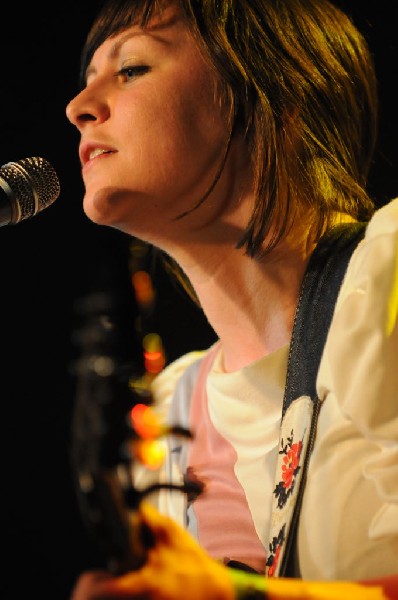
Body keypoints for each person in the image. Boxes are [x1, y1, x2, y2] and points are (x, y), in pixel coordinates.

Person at [65, 0, 398, 597]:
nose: (78, 108)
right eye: (86, 80)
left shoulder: (388, 279)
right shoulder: (168, 415)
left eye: (133, 68)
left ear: (271, 94)